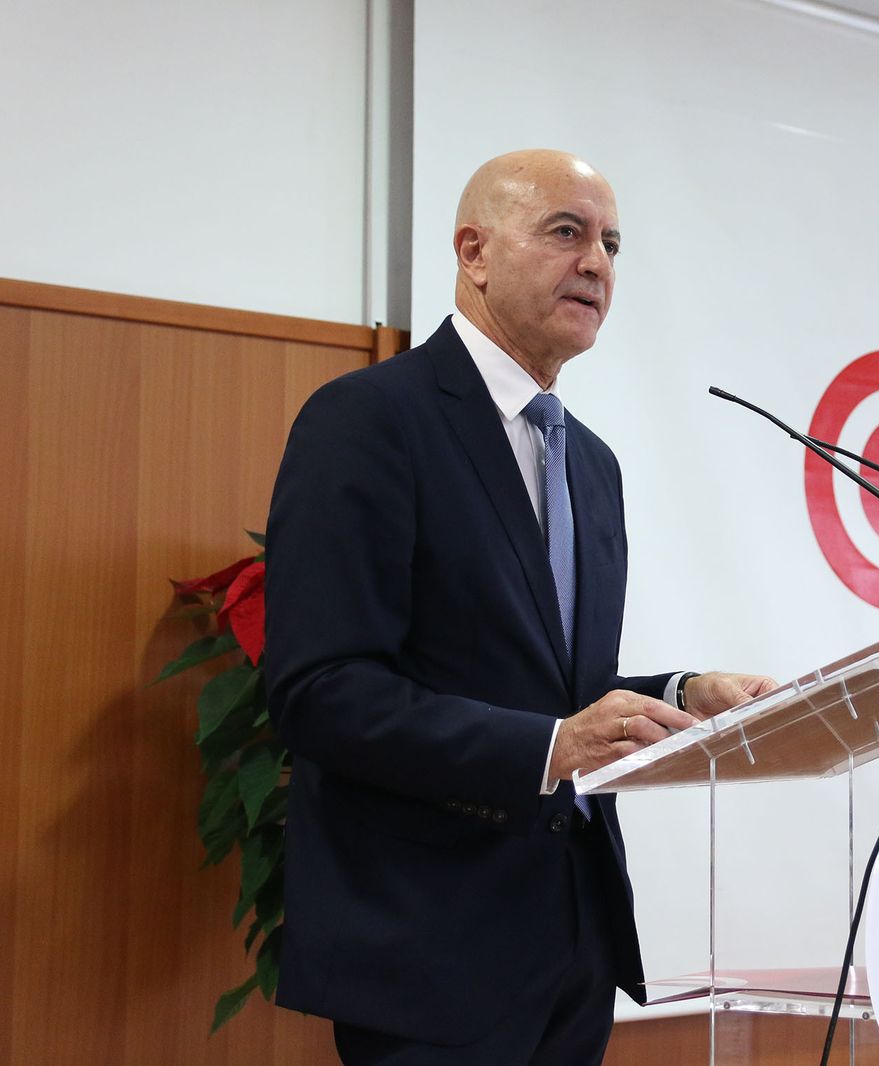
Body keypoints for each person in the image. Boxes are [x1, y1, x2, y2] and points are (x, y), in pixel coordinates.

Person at [264, 149, 777, 1065]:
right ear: (474, 252)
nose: (598, 265)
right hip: (430, 949)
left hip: (571, 943)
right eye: (566, 233)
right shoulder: (370, 421)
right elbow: (321, 689)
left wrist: (681, 691)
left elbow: (542, 681)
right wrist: (550, 749)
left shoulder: (591, 462)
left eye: (613, 244)